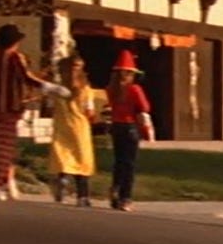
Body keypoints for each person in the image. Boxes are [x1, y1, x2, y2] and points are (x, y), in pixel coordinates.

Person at [0, 24, 46, 201]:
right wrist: (47, 86)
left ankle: (6, 182)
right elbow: (27, 77)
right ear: (15, 42)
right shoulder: (15, 57)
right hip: (9, 109)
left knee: (3, 147)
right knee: (4, 149)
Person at [48, 55, 98, 207]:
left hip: (62, 127)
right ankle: (82, 196)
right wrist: (94, 119)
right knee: (82, 161)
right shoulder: (85, 90)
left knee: (63, 158)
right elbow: (90, 111)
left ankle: (62, 181)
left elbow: (49, 107)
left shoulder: (57, 89)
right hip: (79, 128)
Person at [105, 50, 151, 212]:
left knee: (118, 161)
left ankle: (115, 190)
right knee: (129, 164)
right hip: (130, 126)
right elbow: (145, 107)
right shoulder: (134, 89)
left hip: (116, 126)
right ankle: (125, 198)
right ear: (131, 73)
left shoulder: (111, 89)